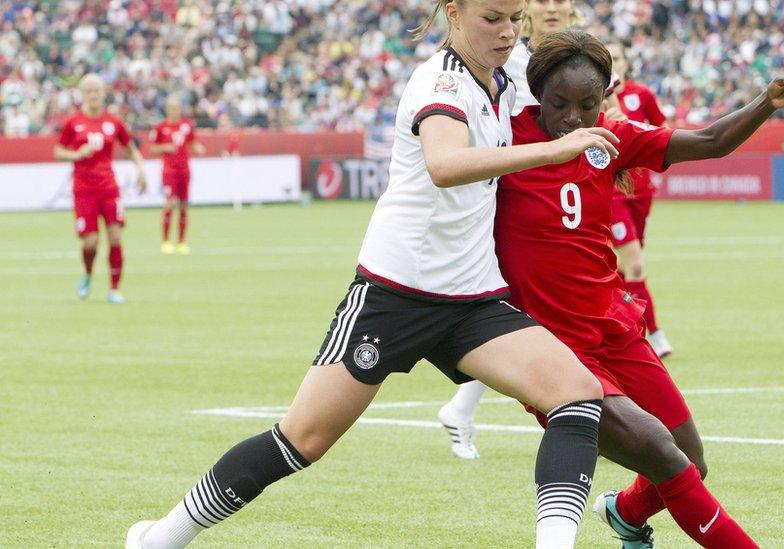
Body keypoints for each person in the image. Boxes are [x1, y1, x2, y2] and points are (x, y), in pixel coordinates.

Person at [126, 2, 623, 548]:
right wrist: (554, 151)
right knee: (301, 441)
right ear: (453, 14)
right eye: (492, 18)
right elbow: (445, 164)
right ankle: (162, 538)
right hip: (396, 293)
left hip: (472, 295)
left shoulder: (506, 76)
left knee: (576, 394)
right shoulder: (440, 82)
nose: (507, 31)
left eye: (515, 17)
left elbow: (574, 100)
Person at [494, 30, 784, 547]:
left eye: (588, 105)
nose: (573, 119)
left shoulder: (612, 140)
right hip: (555, 354)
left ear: (605, 99)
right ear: (536, 94)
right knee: (664, 455)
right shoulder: (503, 141)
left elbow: (710, 142)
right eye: (559, 104)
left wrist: (767, 101)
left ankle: (625, 511)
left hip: (615, 331)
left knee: (690, 462)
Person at [437, 0, 579, 461]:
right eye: (542, 1)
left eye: (562, 0)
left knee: (519, 308)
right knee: (523, 307)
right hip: (510, 196)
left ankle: (462, 408)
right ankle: (574, 406)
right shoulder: (502, 59)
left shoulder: (574, 55)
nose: (553, 8)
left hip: (550, 192)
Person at [604, 41, 674, 358]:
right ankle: (650, 335)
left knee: (620, 269)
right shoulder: (594, 99)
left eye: (617, 58)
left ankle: (615, 328)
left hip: (642, 192)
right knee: (633, 264)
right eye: (607, 60)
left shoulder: (641, 95)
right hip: (613, 193)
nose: (613, 64)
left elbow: (663, 132)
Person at [53, 73, 147, 305]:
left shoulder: (113, 122)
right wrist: (76, 154)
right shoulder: (73, 123)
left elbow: (130, 147)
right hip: (84, 189)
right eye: (89, 91)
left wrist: (141, 169)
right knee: (91, 242)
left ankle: (114, 289)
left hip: (109, 188)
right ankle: (87, 274)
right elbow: (58, 151)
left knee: (115, 237)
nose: (94, 95)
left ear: (103, 93)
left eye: (97, 91)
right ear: (83, 94)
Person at [150, 96, 205, 254]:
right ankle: (166, 241)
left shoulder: (187, 125)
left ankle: (181, 242)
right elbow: (153, 148)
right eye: (171, 108)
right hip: (169, 171)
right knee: (169, 204)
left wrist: (198, 148)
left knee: (183, 205)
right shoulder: (160, 127)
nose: (175, 110)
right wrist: (166, 147)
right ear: (167, 109)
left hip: (184, 170)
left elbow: (192, 143)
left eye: (177, 107)